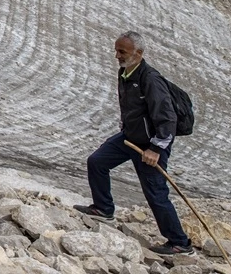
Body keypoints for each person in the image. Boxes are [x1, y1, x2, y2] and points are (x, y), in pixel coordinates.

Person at [73, 31, 194, 256]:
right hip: (130, 138)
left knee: (155, 193)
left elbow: (167, 118)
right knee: (97, 162)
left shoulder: (151, 79)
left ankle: (180, 243)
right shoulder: (125, 73)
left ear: (138, 53)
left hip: (150, 145)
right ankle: (103, 209)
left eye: (122, 51)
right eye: (116, 50)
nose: (117, 55)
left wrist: (156, 148)